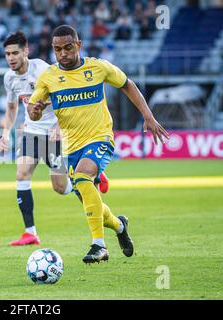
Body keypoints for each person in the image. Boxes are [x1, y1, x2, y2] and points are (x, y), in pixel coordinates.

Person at [27, 25, 169, 264]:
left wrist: (148, 116)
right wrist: (36, 110)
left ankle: (99, 246)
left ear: (78, 45)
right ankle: (120, 226)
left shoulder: (98, 67)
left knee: (82, 177)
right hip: (71, 147)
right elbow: (32, 112)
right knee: (91, 204)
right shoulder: (48, 77)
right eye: (58, 49)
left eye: (68, 47)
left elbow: (127, 84)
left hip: (100, 137)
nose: (63, 53)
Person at [0, 31, 109, 247]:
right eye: (7, 54)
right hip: (31, 131)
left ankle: (93, 184)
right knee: (21, 174)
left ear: (26, 52)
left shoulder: (42, 69)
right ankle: (30, 232)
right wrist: (5, 134)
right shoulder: (9, 78)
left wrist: (59, 126)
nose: (11, 58)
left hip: (54, 133)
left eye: (15, 53)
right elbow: (12, 108)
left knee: (60, 188)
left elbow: (64, 94)